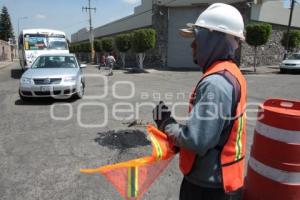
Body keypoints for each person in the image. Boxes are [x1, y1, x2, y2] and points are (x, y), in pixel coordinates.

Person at [152, 3, 247, 200]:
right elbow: (217, 130)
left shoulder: (216, 83)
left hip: (209, 189)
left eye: (197, 38)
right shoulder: (230, 72)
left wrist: (166, 123)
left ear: (212, 39)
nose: (192, 45)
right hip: (221, 182)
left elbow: (197, 140)